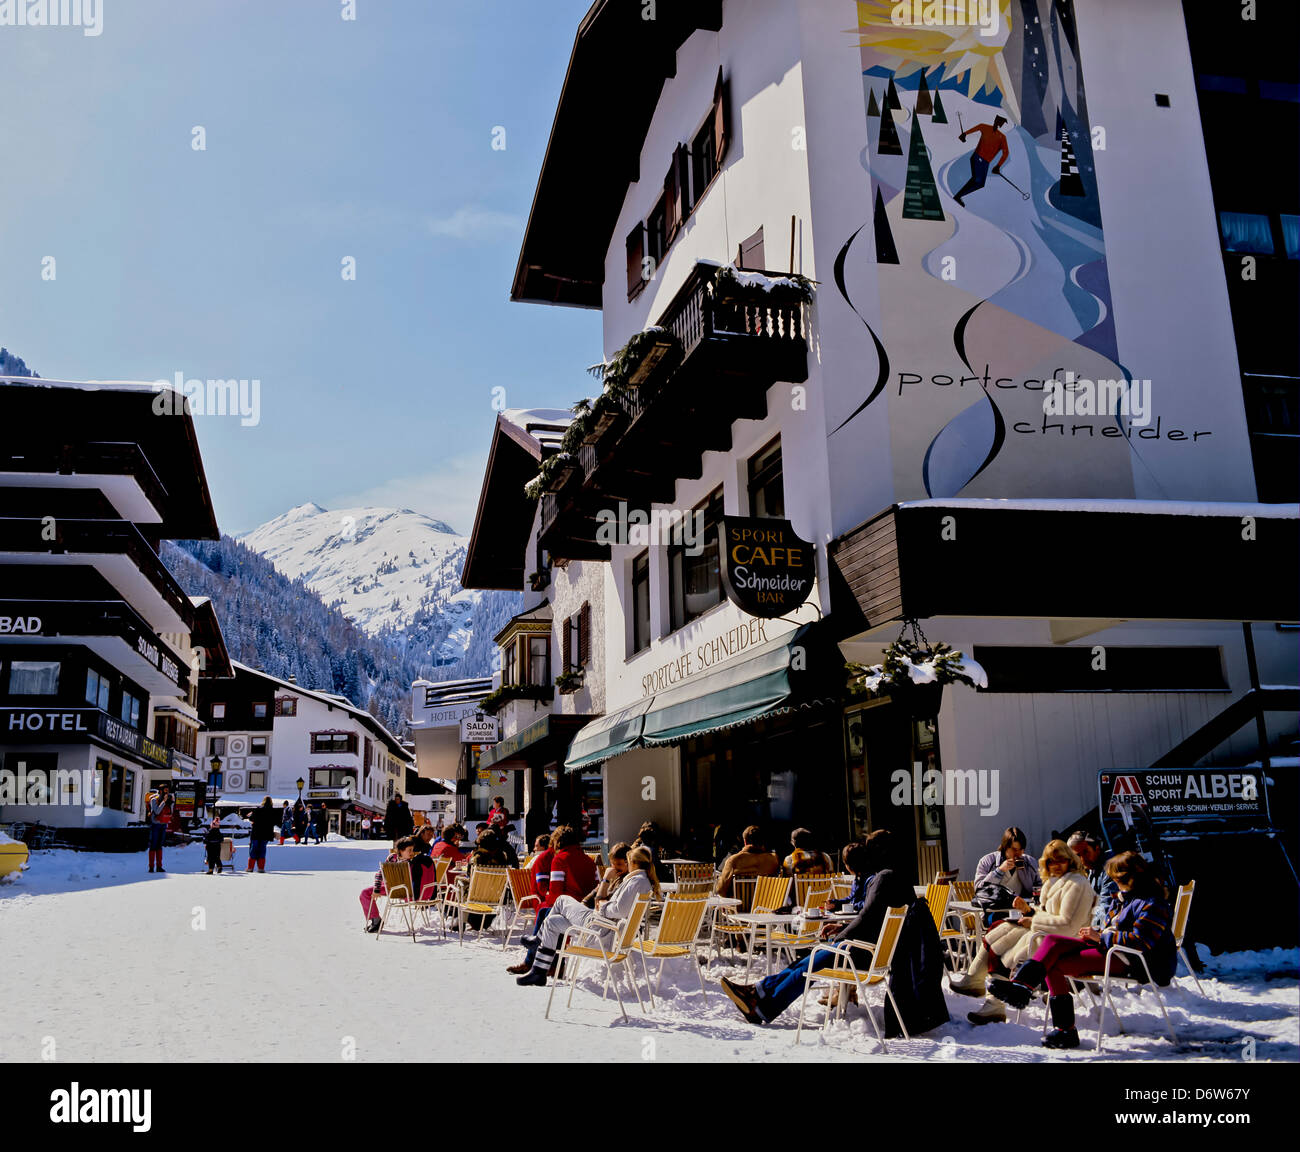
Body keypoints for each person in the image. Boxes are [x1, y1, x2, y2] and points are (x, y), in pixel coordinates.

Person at [721, 830, 947, 1036]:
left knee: (811, 962)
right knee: (807, 962)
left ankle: (761, 1000)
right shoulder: (897, 876)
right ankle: (759, 995)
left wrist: (839, 938)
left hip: (866, 953)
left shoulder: (884, 878)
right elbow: (872, 918)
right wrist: (841, 930)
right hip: (875, 950)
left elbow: (866, 919)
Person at [989, 851, 1176, 1049]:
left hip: (1136, 961)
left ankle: (1064, 1029)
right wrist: (1098, 933)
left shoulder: (1152, 903)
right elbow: (1116, 929)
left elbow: (1141, 941)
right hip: (1114, 949)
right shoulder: (1124, 898)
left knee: (1054, 965)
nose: (1113, 883)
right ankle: (1022, 987)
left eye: (1116, 879)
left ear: (1129, 878)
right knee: (1052, 941)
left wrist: (1102, 936)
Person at [953, 838, 1096, 1025]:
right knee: (999, 928)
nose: (1056, 865)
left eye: (1061, 859)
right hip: (1047, 934)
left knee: (1005, 946)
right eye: (1051, 861)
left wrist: (1033, 920)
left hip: (1064, 941)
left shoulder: (1076, 884)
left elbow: (1068, 925)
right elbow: (1048, 915)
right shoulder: (1054, 882)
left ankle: (988, 997)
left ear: (1070, 859)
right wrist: (1028, 912)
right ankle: (985, 994)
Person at [517, 845, 661, 985]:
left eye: (628, 862)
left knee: (561, 900)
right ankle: (539, 972)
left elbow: (620, 910)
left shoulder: (636, 881)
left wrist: (603, 906)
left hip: (599, 928)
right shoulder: (641, 881)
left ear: (634, 863)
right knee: (552, 922)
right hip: (602, 927)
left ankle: (538, 939)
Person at [507, 831, 558, 975]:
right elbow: (542, 888)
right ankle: (547, 964)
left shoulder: (546, 858)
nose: (534, 849)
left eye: (536, 846)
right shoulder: (543, 859)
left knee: (550, 916)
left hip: (541, 899)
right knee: (549, 915)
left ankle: (536, 962)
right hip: (538, 899)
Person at [973, 826, 1037, 923]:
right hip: (994, 911)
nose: (1018, 854)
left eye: (1021, 850)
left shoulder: (1029, 862)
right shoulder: (988, 861)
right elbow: (979, 889)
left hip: (1021, 912)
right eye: (1014, 850)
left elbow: (1039, 887)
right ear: (1005, 847)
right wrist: (999, 871)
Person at [953, 114, 1010, 207]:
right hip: (977, 157)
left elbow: (1006, 153)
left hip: (986, 163)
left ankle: (958, 196)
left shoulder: (1002, 137)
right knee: (977, 179)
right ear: (997, 120)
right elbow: (978, 127)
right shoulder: (985, 127)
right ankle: (958, 196)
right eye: (1001, 121)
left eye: (1002, 122)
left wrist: (998, 166)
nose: (1001, 124)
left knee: (980, 184)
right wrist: (964, 134)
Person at [1068, 830, 1120, 926]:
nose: (1083, 859)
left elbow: (1106, 907)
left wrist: (1090, 927)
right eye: (1078, 855)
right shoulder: (1093, 869)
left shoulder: (1111, 867)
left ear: (1097, 849)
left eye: (1086, 852)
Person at [715, 825, 781, 897]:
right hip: (765, 905)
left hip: (738, 906)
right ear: (762, 841)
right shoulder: (773, 859)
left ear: (745, 841)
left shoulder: (734, 860)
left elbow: (720, 890)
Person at [588, 842, 630, 906]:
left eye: (619, 864)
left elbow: (598, 903)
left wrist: (606, 879)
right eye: (612, 864)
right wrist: (584, 901)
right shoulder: (616, 877)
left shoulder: (626, 881)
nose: (615, 868)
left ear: (628, 862)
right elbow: (592, 897)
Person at [146, 784, 173, 873]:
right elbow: (157, 811)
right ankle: (151, 867)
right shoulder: (154, 800)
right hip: (156, 824)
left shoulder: (169, 800)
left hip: (163, 824)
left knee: (159, 846)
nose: (166, 792)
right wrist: (164, 802)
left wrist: (171, 802)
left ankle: (159, 866)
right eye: (165, 790)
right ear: (160, 791)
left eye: (167, 790)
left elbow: (171, 812)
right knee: (153, 845)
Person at [247, 797, 277, 873]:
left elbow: (251, 818)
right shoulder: (272, 811)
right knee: (262, 850)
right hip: (266, 834)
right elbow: (274, 822)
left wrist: (250, 815)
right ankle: (261, 868)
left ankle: (250, 868)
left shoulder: (258, 809)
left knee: (254, 849)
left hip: (256, 832)